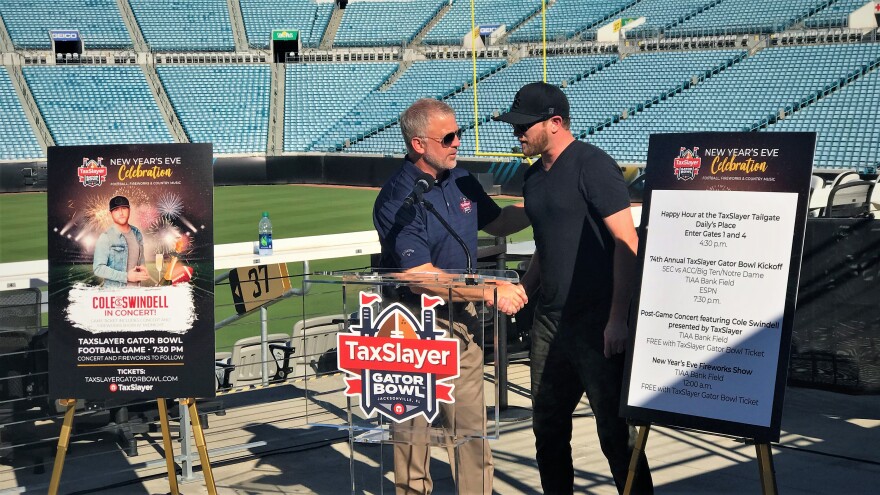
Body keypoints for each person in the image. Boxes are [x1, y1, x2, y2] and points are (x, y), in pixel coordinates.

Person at [495, 82, 653, 494]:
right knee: (547, 430)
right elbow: (548, 245)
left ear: (555, 122)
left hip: (597, 320)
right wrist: (527, 288)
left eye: (524, 126)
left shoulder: (593, 165)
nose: (518, 134)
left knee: (615, 436)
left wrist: (618, 318)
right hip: (550, 322)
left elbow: (627, 243)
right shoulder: (532, 179)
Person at [373, 98, 530, 494]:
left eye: (458, 133)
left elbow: (497, 223)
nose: (457, 142)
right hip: (408, 325)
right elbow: (419, 276)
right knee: (411, 433)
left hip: (462, 321)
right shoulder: (396, 197)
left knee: (471, 431)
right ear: (419, 144)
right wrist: (490, 288)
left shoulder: (462, 178)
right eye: (448, 137)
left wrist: (540, 203)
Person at [93, 195, 149, 288]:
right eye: (116, 210)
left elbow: (141, 258)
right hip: (115, 296)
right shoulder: (106, 237)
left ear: (129, 210)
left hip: (136, 294)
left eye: (124, 208)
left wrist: (143, 266)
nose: (121, 213)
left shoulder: (137, 233)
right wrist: (126, 276)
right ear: (111, 214)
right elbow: (98, 268)